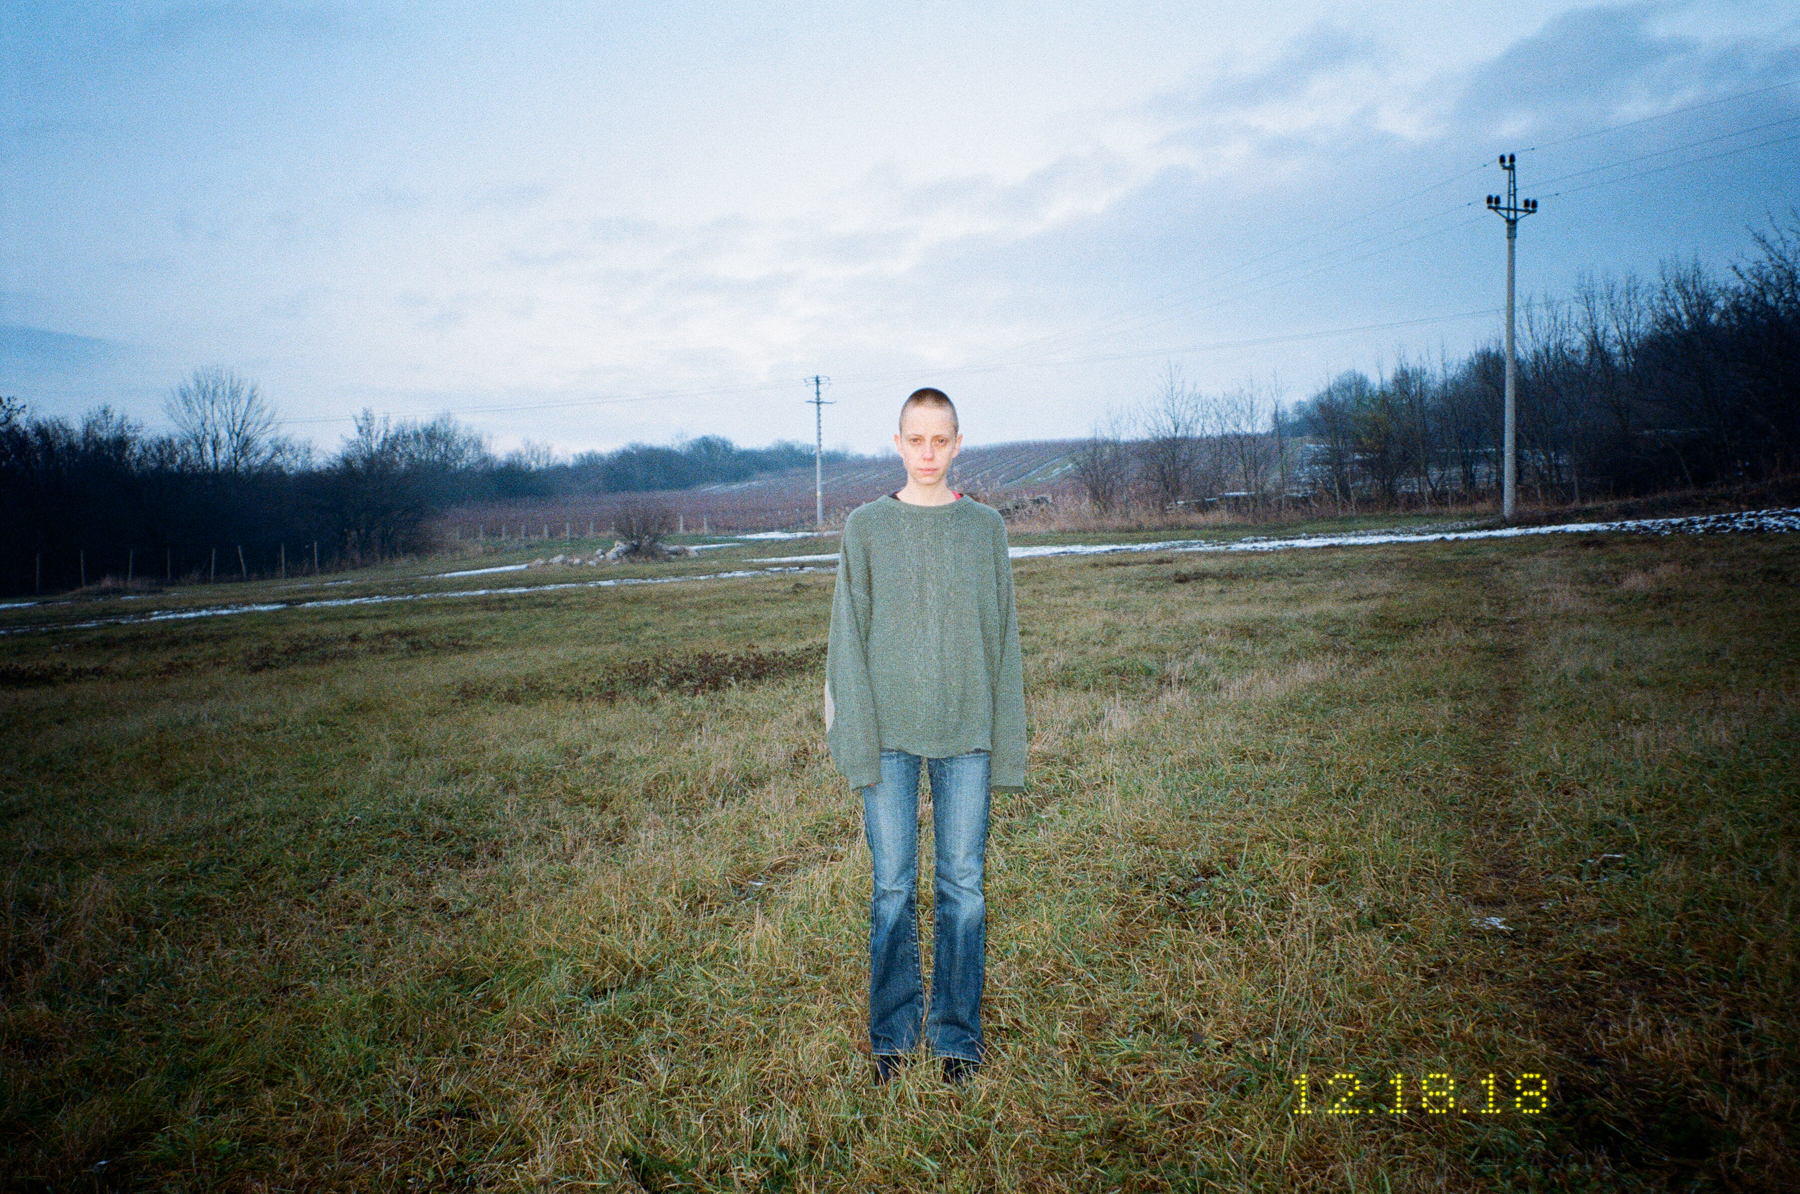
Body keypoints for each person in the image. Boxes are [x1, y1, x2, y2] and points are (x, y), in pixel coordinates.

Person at [824, 387, 1027, 1085]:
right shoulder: (866, 529)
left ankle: (956, 1039)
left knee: (963, 886)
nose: (929, 453)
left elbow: (1003, 641)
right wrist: (853, 733)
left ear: (959, 443)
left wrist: (1007, 739)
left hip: (967, 731)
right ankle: (892, 1033)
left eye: (942, 440)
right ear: (898, 443)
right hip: (888, 735)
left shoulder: (986, 531)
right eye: (917, 439)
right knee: (892, 886)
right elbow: (845, 641)